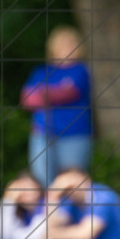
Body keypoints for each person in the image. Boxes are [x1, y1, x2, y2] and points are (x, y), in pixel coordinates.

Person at [21, 26, 94, 187]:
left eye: (70, 43)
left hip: (74, 135)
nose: (66, 48)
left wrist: (42, 93)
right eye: (61, 44)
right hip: (43, 134)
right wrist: (55, 91)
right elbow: (27, 99)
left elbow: (69, 92)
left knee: (72, 183)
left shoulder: (81, 70)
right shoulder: (41, 71)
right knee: (42, 182)